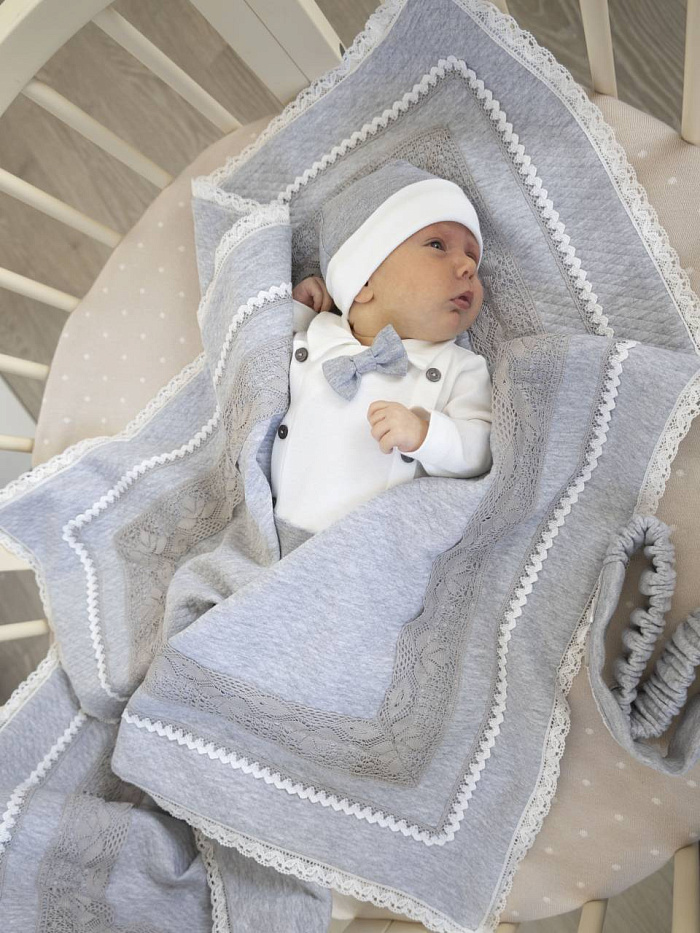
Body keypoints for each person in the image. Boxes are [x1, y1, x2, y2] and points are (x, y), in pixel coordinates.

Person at [270, 159, 493, 534]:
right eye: (437, 245)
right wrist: (297, 310)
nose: (467, 267)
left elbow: (480, 451)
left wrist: (425, 435)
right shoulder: (319, 334)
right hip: (281, 531)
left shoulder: (460, 367)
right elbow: (264, 366)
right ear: (363, 282)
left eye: (472, 257)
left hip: (376, 547)